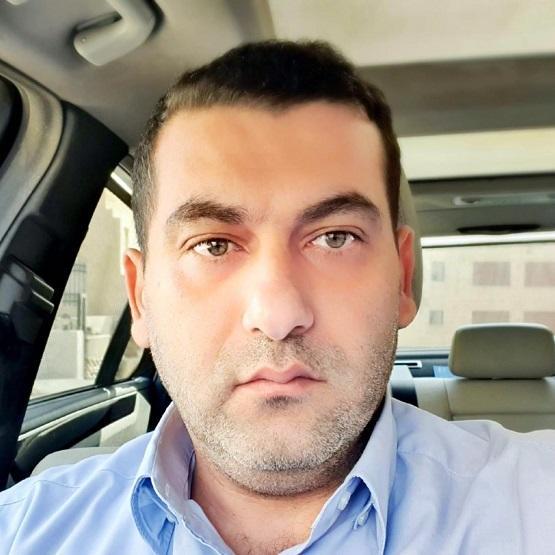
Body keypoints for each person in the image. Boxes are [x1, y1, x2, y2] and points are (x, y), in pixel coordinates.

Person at [1, 40, 555, 555]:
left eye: (334, 238)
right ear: (140, 298)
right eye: (213, 244)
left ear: (402, 278)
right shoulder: (24, 531)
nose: (278, 314)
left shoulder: (534, 502)